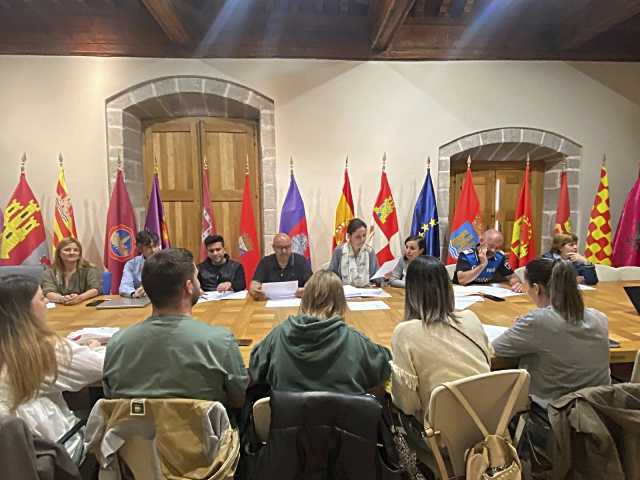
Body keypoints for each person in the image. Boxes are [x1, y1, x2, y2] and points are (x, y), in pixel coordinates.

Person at [492, 258, 610, 470]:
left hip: (550, 417)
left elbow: (495, 349)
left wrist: (520, 327)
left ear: (537, 288)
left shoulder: (538, 321)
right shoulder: (600, 318)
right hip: (598, 414)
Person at [103, 248, 248, 409]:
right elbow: (238, 399)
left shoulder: (117, 344)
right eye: (196, 278)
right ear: (189, 287)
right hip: (201, 433)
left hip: (132, 433)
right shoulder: (220, 341)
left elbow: (110, 396)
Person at [0, 274, 103, 463]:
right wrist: (92, 349)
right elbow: (102, 366)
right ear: (25, 310)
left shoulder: (11, 347)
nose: (47, 302)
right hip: (53, 454)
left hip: (14, 458)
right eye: (41, 298)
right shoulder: (41, 350)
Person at [391, 256, 491, 448]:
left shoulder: (405, 333)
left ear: (411, 291)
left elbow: (407, 405)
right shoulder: (471, 318)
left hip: (441, 440)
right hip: (487, 428)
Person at [249, 270, 391, 396]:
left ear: (305, 298)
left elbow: (255, 367)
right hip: (344, 423)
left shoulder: (278, 335)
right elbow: (386, 364)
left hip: (288, 422)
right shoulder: (355, 340)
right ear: (341, 301)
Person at [454, 228, 523, 292]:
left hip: (486, 292)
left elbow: (512, 276)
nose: (493, 250)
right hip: (463, 292)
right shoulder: (466, 255)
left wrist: (517, 284)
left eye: (497, 248)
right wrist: (482, 265)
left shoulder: (499, 257)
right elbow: (462, 280)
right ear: (481, 241)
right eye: (491, 246)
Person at [249, 233, 312, 300]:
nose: (284, 251)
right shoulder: (265, 262)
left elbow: (310, 282)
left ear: (291, 246)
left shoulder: (301, 260)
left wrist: (306, 289)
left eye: (287, 247)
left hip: (296, 301)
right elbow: (255, 283)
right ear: (273, 247)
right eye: (280, 248)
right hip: (268, 301)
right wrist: (255, 291)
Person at [42, 237, 101, 305]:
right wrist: (62, 299)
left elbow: (95, 289)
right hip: (59, 308)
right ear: (59, 253)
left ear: (79, 254)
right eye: (67, 250)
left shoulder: (89, 269)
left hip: (83, 306)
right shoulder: (50, 272)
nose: (72, 253)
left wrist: (80, 298)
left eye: (76, 250)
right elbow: (48, 292)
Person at [328, 218, 378, 287]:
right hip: (344, 293)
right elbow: (331, 275)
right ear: (349, 236)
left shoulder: (370, 251)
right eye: (358, 237)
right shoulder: (339, 251)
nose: (362, 239)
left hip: (366, 292)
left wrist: (385, 277)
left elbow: (375, 277)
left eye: (364, 235)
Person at [119, 230, 160, 297]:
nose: (154, 250)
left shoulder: (167, 262)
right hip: (142, 301)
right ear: (139, 249)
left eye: (155, 246)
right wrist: (133, 293)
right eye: (149, 247)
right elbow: (124, 286)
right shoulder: (131, 265)